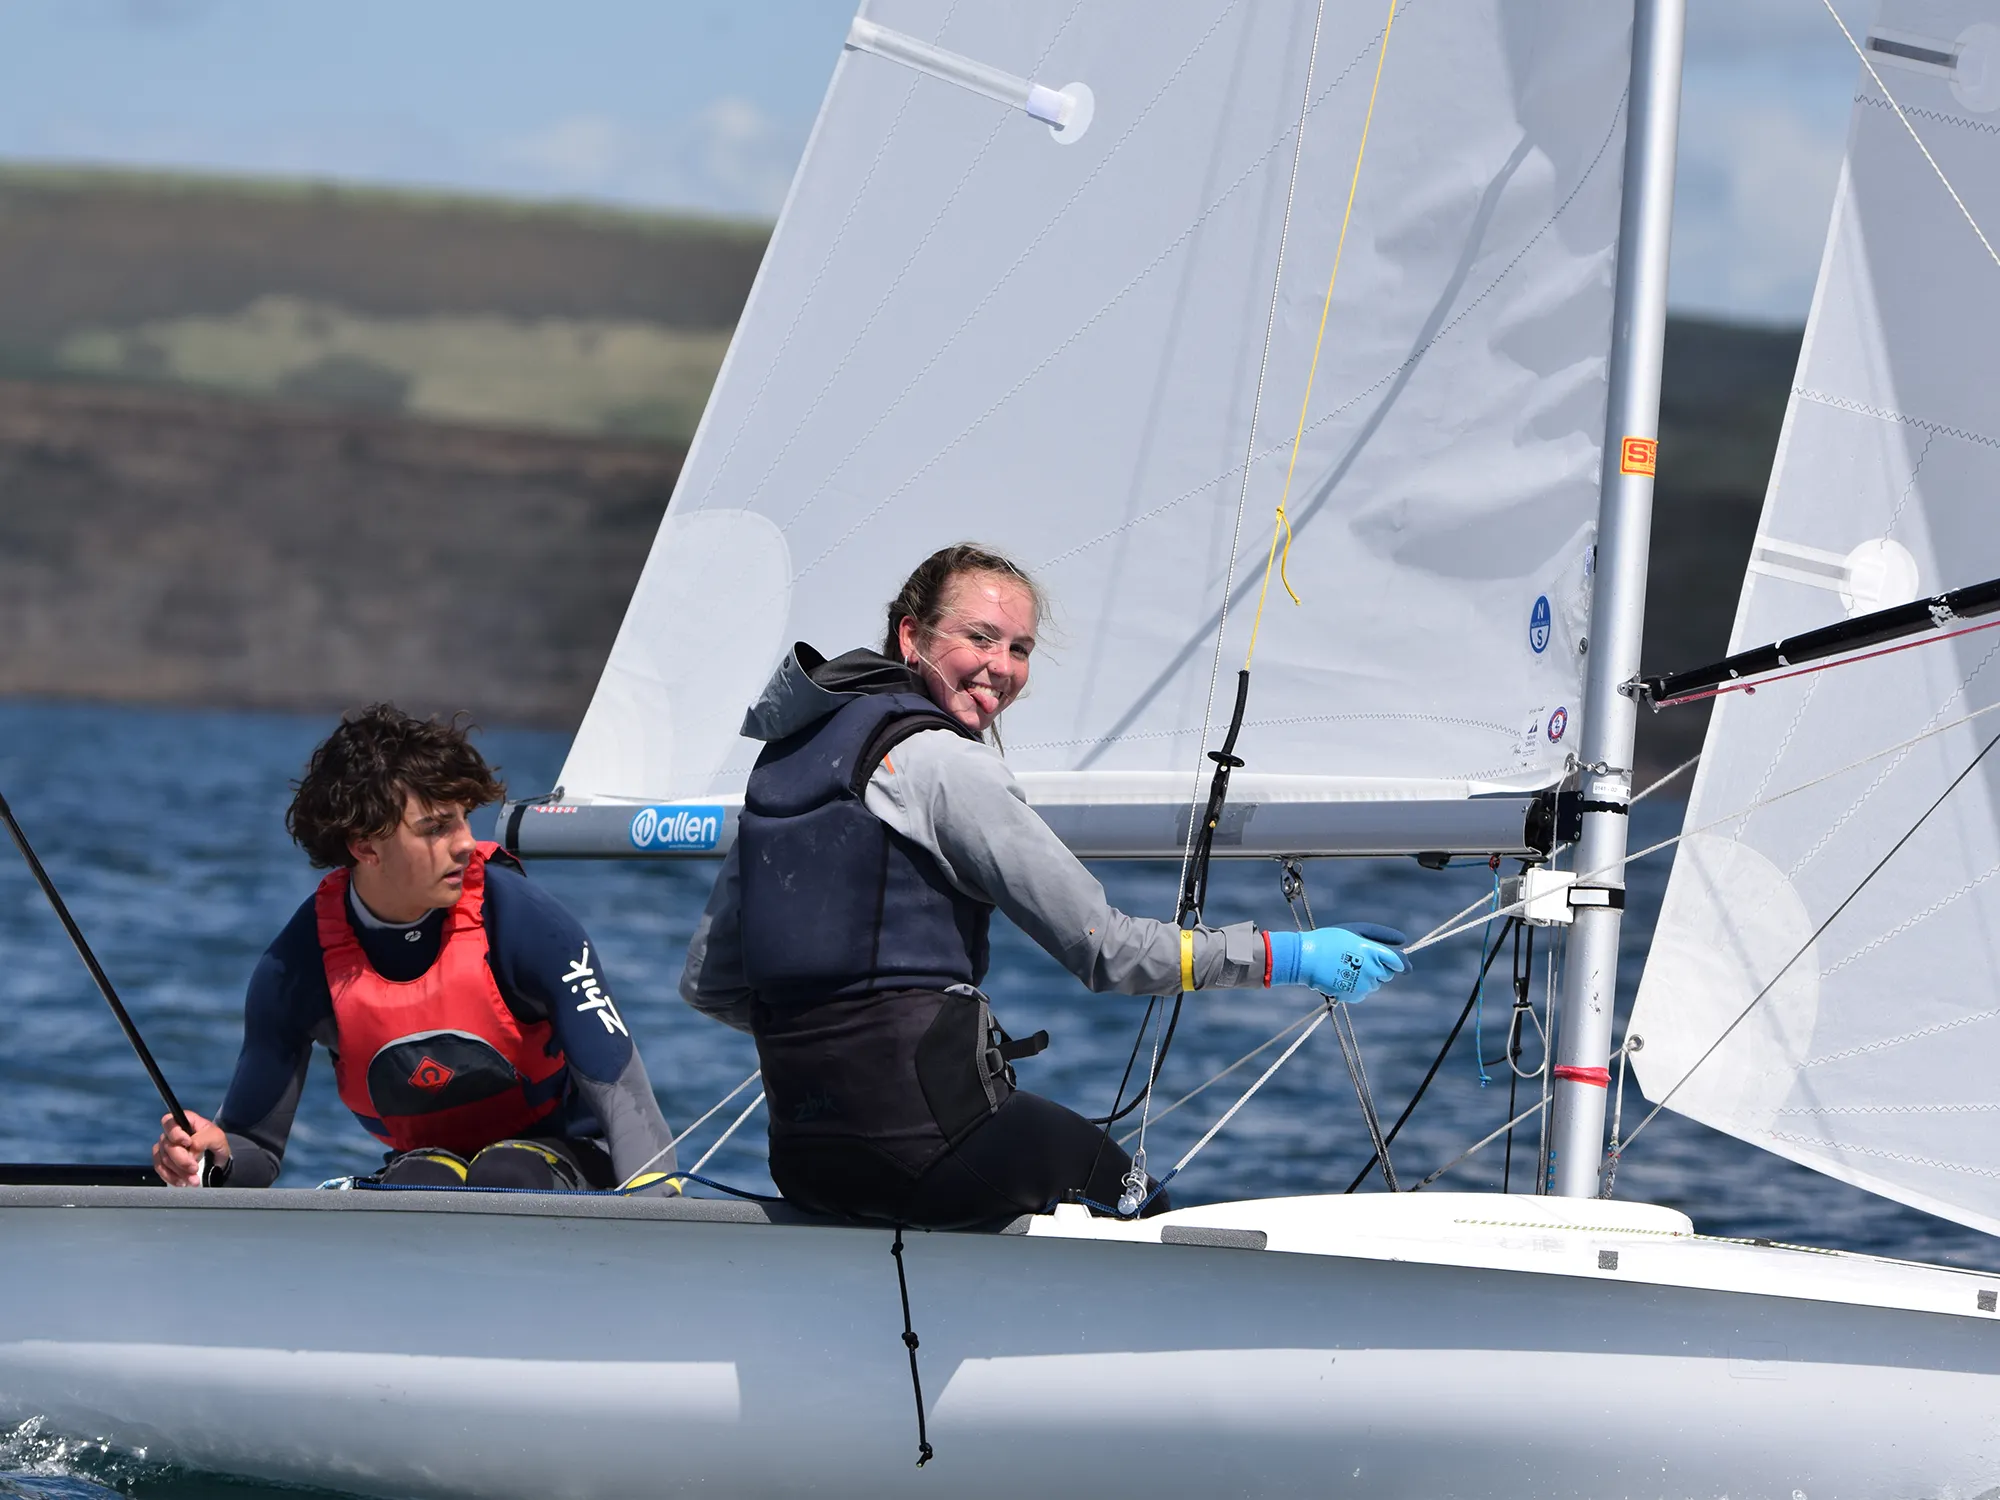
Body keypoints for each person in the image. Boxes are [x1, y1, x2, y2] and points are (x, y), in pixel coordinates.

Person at [681, 543, 1407, 1230]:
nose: (1001, 667)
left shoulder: (784, 766)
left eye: (1020, 649)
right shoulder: (946, 767)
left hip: (807, 1160)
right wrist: (1290, 957)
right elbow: (1111, 954)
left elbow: (712, 985)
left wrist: (833, 1040)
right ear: (912, 637)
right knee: (1132, 1201)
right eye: (981, 637)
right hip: (928, 1147)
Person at [152, 705, 678, 1193]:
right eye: (436, 827)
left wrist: (654, 1227)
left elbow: (630, 1106)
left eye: (464, 817)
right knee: (423, 1180)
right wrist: (211, 1158)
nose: (466, 843)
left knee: (506, 1171)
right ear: (364, 846)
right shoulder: (297, 966)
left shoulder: (527, 925)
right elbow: (255, 1149)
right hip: (431, 1172)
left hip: (573, 1160)